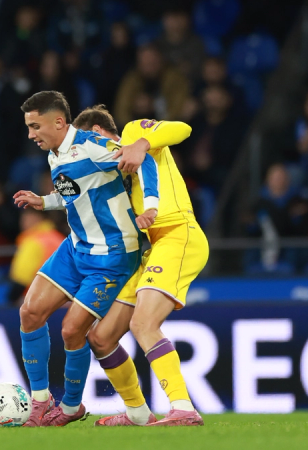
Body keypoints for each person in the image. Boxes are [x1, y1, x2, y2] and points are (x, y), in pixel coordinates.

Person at [12, 91, 159, 427]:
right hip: (76, 247)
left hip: (112, 254)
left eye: (35, 126)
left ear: (59, 122)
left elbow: (144, 160)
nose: (31, 134)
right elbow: (74, 193)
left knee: (71, 330)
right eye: (29, 127)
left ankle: (70, 407)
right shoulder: (55, 153)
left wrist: (150, 207)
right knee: (30, 312)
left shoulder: (92, 146)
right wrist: (44, 202)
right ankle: (40, 400)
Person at [72, 105, 208, 426]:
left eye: (84, 141)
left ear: (98, 131)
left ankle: (183, 407)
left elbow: (183, 128)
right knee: (101, 337)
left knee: (144, 324)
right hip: (153, 248)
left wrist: (141, 144)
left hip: (179, 234)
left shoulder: (134, 132)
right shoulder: (110, 171)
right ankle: (138, 412)